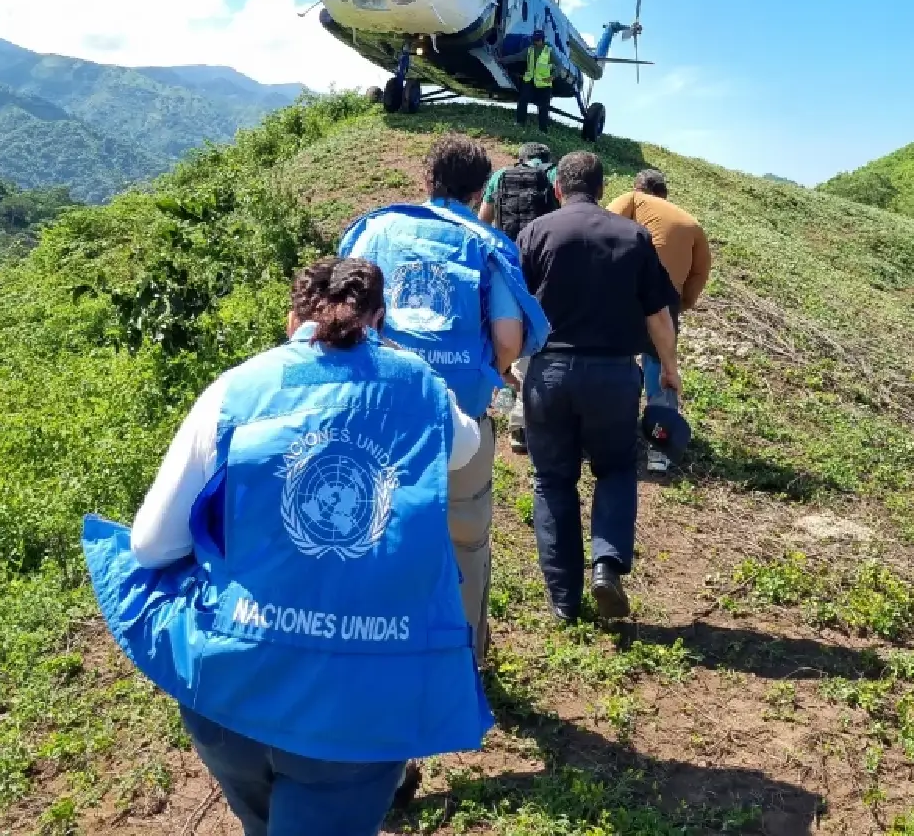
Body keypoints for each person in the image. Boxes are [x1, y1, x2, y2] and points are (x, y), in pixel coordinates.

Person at [82, 257, 493, 836]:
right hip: (363, 709)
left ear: (290, 317)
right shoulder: (420, 388)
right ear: (380, 321)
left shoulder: (238, 388)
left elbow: (151, 545)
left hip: (235, 693)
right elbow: (466, 447)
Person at [339, 134, 548, 661]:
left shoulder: (373, 231)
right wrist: (486, 374)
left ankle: (374, 655)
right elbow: (507, 339)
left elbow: (335, 319)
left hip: (373, 421)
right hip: (461, 423)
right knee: (466, 547)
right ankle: (462, 664)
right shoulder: (486, 244)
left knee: (370, 535)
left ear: (426, 182)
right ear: (481, 189)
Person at [518, 151, 680, 622]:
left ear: (557, 189)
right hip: (613, 374)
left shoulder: (536, 233)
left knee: (552, 481)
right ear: (602, 187)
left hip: (549, 373)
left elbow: (512, 305)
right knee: (614, 470)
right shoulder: (633, 235)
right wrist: (668, 367)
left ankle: (564, 601)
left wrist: (506, 364)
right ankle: (606, 566)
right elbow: (658, 315)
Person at [608, 167, 711, 473]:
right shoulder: (691, 223)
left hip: (626, 297)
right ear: (665, 195)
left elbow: (602, 227)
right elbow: (700, 271)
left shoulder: (632, 200)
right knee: (661, 371)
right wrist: (682, 304)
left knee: (615, 362)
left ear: (637, 188)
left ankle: (612, 432)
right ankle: (660, 448)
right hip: (667, 304)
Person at [479, 143, 559, 456]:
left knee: (506, 340)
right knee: (534, 343)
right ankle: (527, 420)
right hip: (542, 266)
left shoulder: (500, 176)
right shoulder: (552, 175)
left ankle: (510, 413)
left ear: (520, 159)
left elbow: (483, 220)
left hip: (507, 267)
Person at [516, 29, 555, 131]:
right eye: (534, 40)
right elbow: (517, 57)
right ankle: (520, 123)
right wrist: (502, 59)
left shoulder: (549, 51)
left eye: (538, 40)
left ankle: (543, 129)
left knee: (543, 107)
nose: (536, 42)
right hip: (530, 81)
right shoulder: (530, 50)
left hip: (544, 84)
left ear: (542, 39)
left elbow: (558, 65)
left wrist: (553, 76)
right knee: (523, 100)